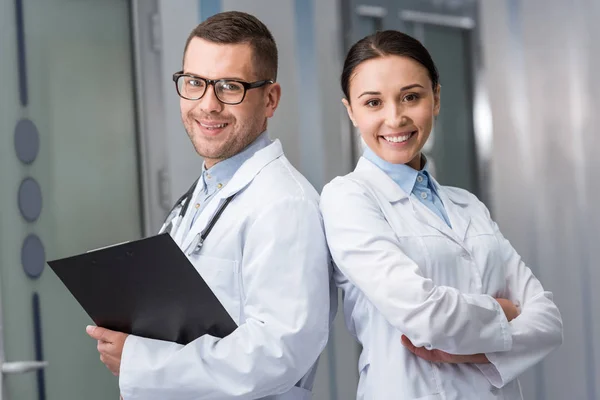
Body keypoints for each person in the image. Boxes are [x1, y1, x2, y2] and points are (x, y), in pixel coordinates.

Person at [86, 11, 334, 399]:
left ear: (270, 99)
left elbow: (279, 354)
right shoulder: (203, 194)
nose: (207, 104)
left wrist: (142, 361)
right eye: (195, 83)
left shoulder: (286, 205)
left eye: (230, 87)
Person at [320, 30, 563, 399]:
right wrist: (505, 311)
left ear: (435, 98)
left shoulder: (467, 204)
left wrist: (474, 349)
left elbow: (548, 321)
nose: (395, 118)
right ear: (351, 111)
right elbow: (425, 316)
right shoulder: (349, 198)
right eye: (373, 103)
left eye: (411, 97)